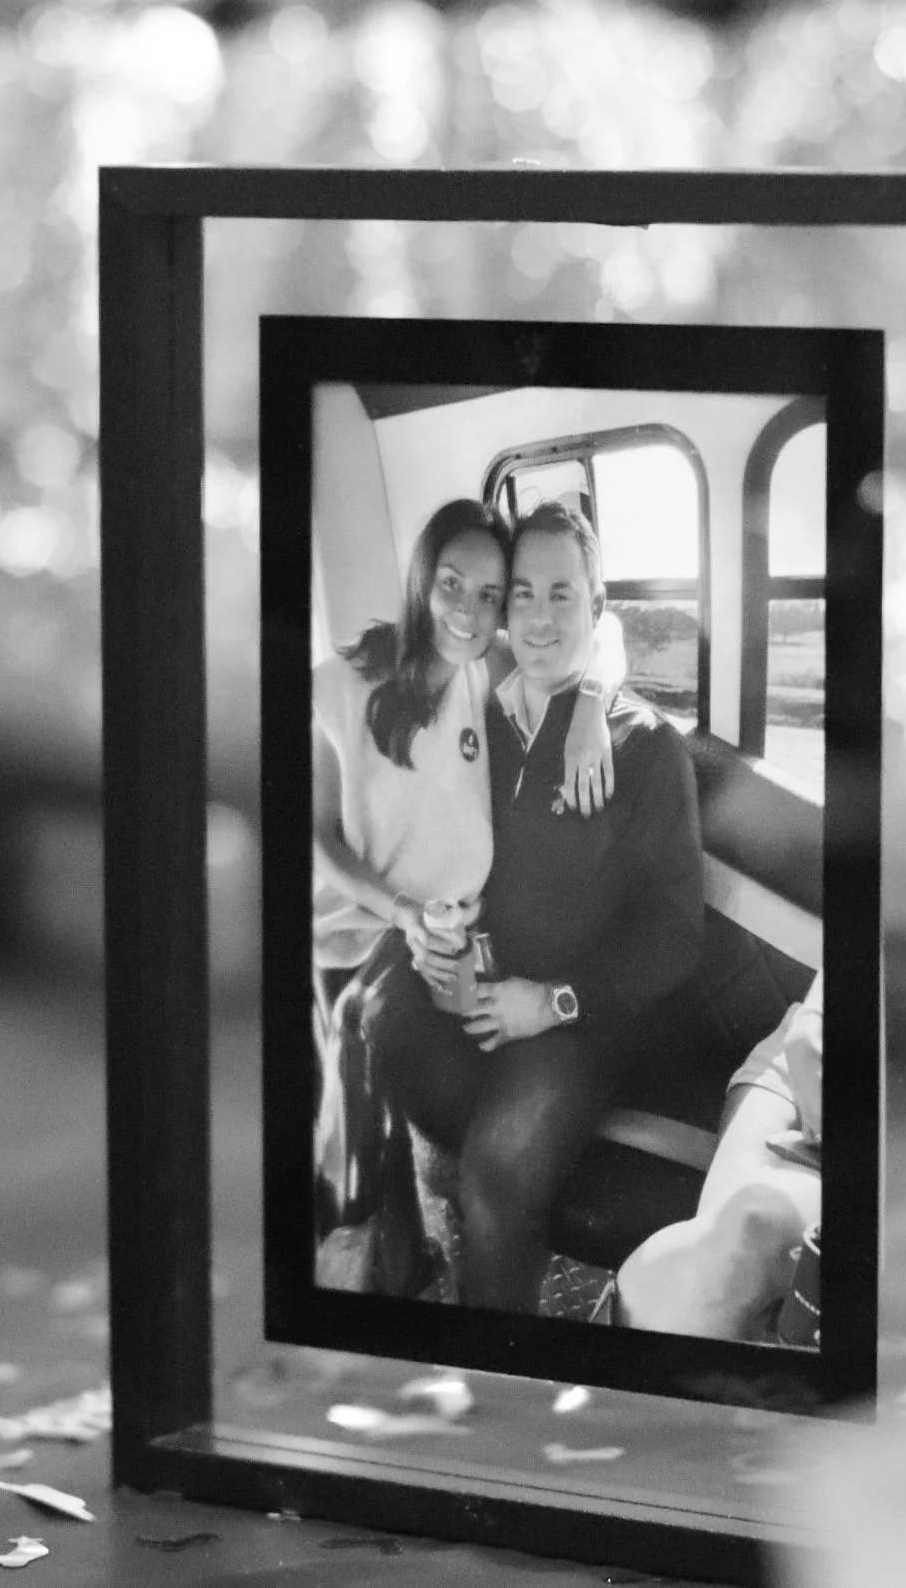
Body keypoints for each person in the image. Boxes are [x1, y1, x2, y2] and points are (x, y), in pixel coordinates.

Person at [359, 503, 708, 1313]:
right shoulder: (479, 709)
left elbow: (673, 935)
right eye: (523, 594)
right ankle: (400, 1252)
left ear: (597, 603)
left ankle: (499, 1350)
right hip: (476, 978)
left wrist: (551, 1002)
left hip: (578, 1019)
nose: (541, 617)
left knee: (498, 1172)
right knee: (366, 1016)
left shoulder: (645, 749)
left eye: (563, 594)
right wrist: (431, 936)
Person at [310, 498, 618, 993]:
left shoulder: (485, 668)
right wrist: (403, 913)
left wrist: (591, 707)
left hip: (456, 941)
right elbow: (317, 837)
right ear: (422, 579)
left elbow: (605, 633)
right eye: (451, 584)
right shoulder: (339, 686)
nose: (466, 612)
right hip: (362, 947)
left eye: (488, 596)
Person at [610, 973, 823, 1342]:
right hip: (810, 1064)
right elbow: (807, 1039)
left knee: (748, 1238)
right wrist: (812, 1026)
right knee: (739, 1244)